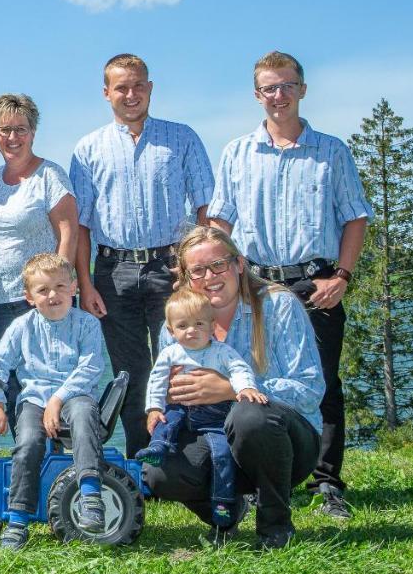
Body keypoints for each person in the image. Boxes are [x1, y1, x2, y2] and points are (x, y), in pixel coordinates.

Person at [207, 50, 372, 520]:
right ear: (256, 95)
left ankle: (327, 484)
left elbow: (355, 218)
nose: (278, 96)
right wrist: (225, 276)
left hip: (316, 282)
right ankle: (262, 479)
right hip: (256, 284)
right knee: (254, 381)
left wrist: (342, 276)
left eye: (286, 85)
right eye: (268, 88)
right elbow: (220, 221)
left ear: (302, 88)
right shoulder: (236, 152)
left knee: (322, 383)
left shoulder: (332, 150)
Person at [69, 53, 215, 456]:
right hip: (112, 271)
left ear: (150, 88)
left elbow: (207, 207)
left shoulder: (182, 138)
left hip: (171, 268)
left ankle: (188, 455)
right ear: (106, 93)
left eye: (138, 85)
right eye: (121, 87)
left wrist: (197, 270)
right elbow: (80, 223)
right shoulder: (88, 149)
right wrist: (85, 283)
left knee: (182, 361)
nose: (130, 94)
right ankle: (142, 459)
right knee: (128, 372)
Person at [143, 226, 325, 548]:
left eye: (218, 264)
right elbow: (167, 388)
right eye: (197, 270)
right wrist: (164, 404)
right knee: (160, 473)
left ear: (239, 264)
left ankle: (275, 526)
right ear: (185, 278)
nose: (210, 276)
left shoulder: (278, 306)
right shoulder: (174, 326)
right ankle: (227, 506)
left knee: (249, 415)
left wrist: (230, 389)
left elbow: (310, 389)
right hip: (214, 436)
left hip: (287, 445)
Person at [0, 253, 108, 550]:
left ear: (74, 288)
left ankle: (91, 495)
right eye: (43, 290)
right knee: (27, 442)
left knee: (82, 414)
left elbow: (91, 367)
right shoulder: (21, 327)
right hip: (33, 400)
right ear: (29, 297)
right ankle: (18, 519)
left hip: (75, 395)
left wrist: (58, 399)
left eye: (60, 287)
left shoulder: (87, 325)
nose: (53, 295)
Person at [0, 93, 78, 426]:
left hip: (40, 303)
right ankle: (26, 462)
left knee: (47, 388)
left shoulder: (50, 177)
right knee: (9, 386)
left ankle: (59, 465)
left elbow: (68, 232)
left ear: (33, 132)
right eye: (5, 130)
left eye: (21, 129)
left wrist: (57, 292)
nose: (13, 138)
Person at [136, 288, 268, 528]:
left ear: (211, 326)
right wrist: (153, 408)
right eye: (183, 326)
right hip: (181, 408)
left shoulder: (221, 351)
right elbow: (156, 380)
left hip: (215, 415)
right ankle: (157, 447)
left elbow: (240, 369)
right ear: (171, 330)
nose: (191, 331)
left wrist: (243, 388)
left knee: (222, 454)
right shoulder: (170, 353)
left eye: (198, 324)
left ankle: (224, 503)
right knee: (166, 421)